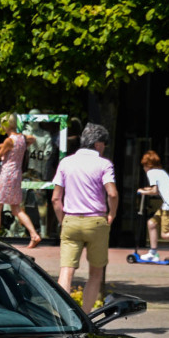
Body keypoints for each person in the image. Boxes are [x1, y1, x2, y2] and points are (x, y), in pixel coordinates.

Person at [52, 123, 118, 312]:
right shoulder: (104, 164)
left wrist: (62, 220)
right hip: (96, 220)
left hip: (71, 220)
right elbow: (112, 194)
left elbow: (56, 198)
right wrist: (111, 214)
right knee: (96, 273)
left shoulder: (66, 162)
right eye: (104, 144)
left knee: (66, 270)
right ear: (98, 144)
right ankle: (86, 316)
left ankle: (64, 316)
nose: (103, 148)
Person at [0, 113, 42, 247]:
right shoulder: (22, 138)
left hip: (7, 174)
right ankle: (34, 234)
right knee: (16, 208)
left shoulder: (9, 141)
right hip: (17, 174)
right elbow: (33, 139)